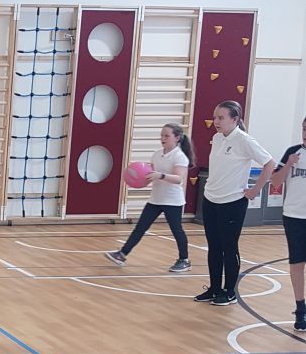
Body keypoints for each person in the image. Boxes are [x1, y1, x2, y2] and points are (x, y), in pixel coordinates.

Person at [195, 100, 275, 307]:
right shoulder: (217, 138)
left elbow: (269, 163)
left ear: (235, 119)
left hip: (232, 203)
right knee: (214, 247)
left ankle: (230, 292)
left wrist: (255, 190)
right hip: (211, 199)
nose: (216, 121)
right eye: (215, 117)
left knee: (229, 247)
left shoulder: (244, 140)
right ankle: (215, 288)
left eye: (221, 118)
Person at [105, 124, 194, 272]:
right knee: (140, 227)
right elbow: (149, 174)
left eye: (167, 136)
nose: (163, 138)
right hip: (156, 199)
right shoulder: (157, 154)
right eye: (162, 135)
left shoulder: (179, 157)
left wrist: (160, 175)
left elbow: (179, 179)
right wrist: (138, 179)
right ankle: (122, 254)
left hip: (172, 201)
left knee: (177, 230)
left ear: (177, 138)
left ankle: (184, 260)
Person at [271, 114, 306, 332]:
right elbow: (275, 181)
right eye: (304, 128)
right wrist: (288, 165)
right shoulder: (292, 152)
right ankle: (300, 308)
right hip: (294, 216)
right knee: (297, 263)